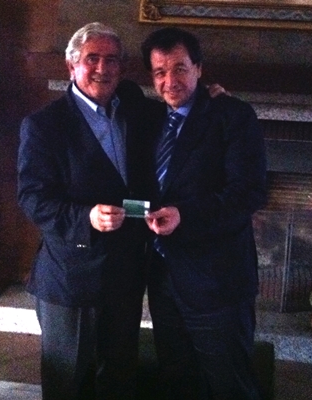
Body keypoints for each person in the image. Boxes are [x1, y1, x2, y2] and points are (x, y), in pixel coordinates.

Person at [17, 22, 152, 399]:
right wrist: (86, 218)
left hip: (125, 274)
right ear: (71, 64)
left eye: (112, 60)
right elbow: (32, 198)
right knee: (68, 382)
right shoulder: (44, 125)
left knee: (118, 377)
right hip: (71, 278)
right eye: (92, 58)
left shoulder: (133, 108)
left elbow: (175, 107)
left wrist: (210, 99)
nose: (102, 68)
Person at [140, 27, 268, 399]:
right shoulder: (150, 118)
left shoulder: (232, 115)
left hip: (218, 284)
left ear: (199, 68)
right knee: (177, 381)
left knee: (229, 385)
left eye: (180, 69)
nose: (170, 81)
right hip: (164, 280)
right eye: (159, 72)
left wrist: (185, 215)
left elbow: (247, 193)